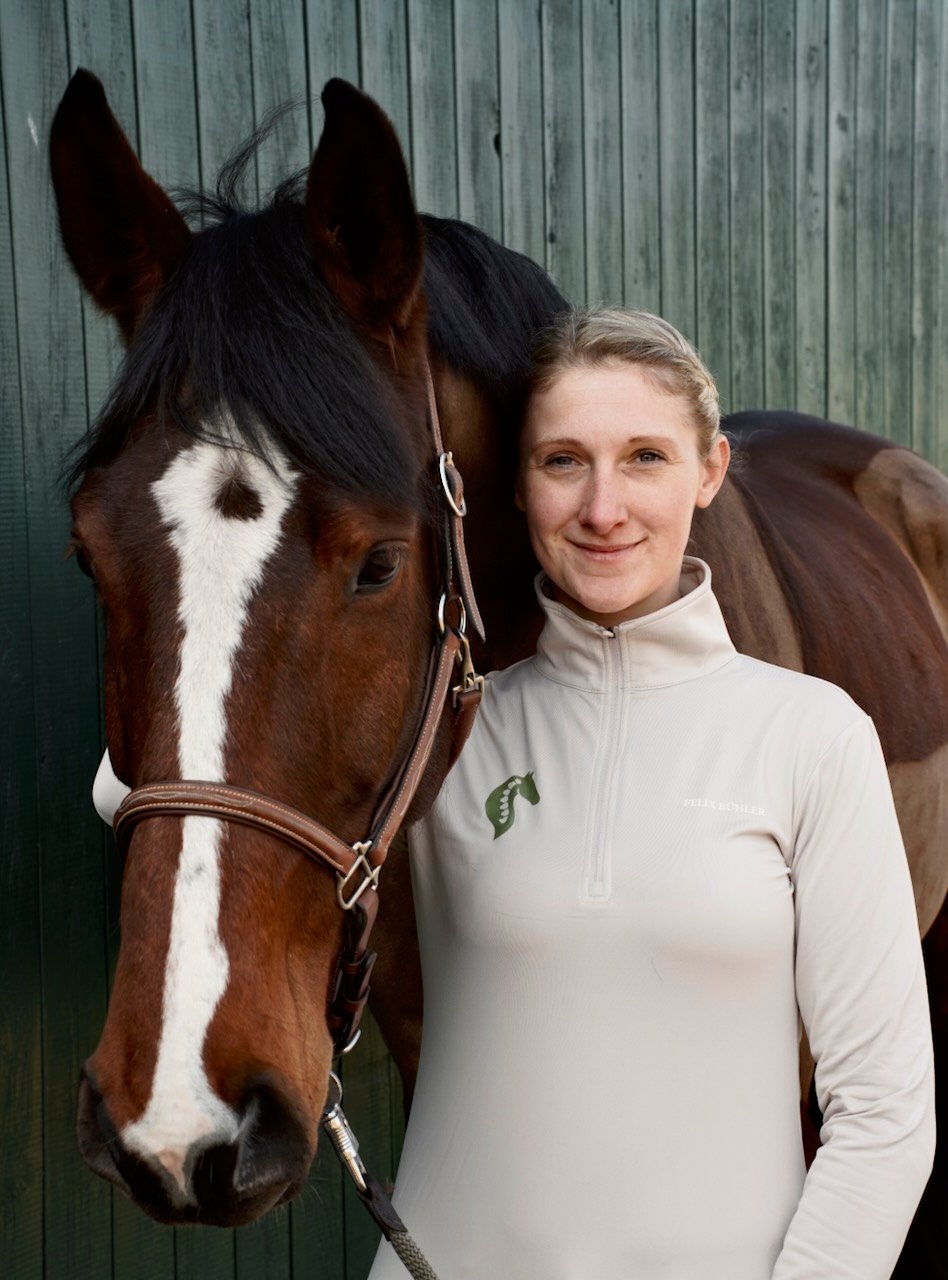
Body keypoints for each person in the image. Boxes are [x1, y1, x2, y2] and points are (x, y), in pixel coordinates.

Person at [367, 308, 936, 1279]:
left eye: (644, 457)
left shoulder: (812, 734)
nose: (602, 507)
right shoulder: (447, 733)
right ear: (516, 481)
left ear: (709, 471)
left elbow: (885, 1109)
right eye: (562, 461)